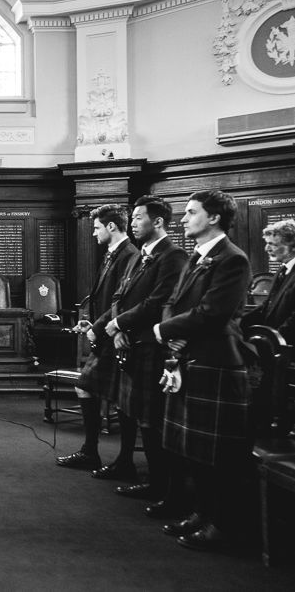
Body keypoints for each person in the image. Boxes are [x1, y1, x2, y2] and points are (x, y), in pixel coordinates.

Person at [154, 189, 254, 552]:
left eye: (191, 212)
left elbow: (213, 314)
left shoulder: (232, 259)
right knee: (192, 451)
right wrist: (171, 336)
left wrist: (166, 332)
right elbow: (171, 303)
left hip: (216, 362)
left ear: (213, 217)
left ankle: (222, 525)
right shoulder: (197, 257)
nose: (183, 218)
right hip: (189, 358)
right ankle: (202, 512)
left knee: (215, 456)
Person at [92, 196, 187, 509]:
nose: (132, 223)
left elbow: (158, 301)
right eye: (131, 218)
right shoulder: (139, 255)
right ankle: (139, 473)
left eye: (138, 218)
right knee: (130, 410)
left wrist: (118, 324)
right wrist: (116, 328)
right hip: (130, 342)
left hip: (151, 345)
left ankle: (161, 485)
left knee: (150, 418)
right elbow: (120, 294)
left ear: (157, 222)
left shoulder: (172, 256)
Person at [57, 204, 139, 473]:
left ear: (111, 226)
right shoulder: (112, 254)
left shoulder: (129, 255)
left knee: (122, 400)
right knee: (90, 387)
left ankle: (119, 458)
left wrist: (100, 327)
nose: (93, 233)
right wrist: (92, 323)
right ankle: (93, 452)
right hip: (104, 332)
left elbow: (123, 299)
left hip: (116, 337)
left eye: (96, 228)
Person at [241, 218, 295, 345]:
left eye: (274, 244)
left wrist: (274, 341)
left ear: (293, 247)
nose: (267, 249)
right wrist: (237, 324)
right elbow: (266, 308)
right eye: (267, 243)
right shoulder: (283, 269)